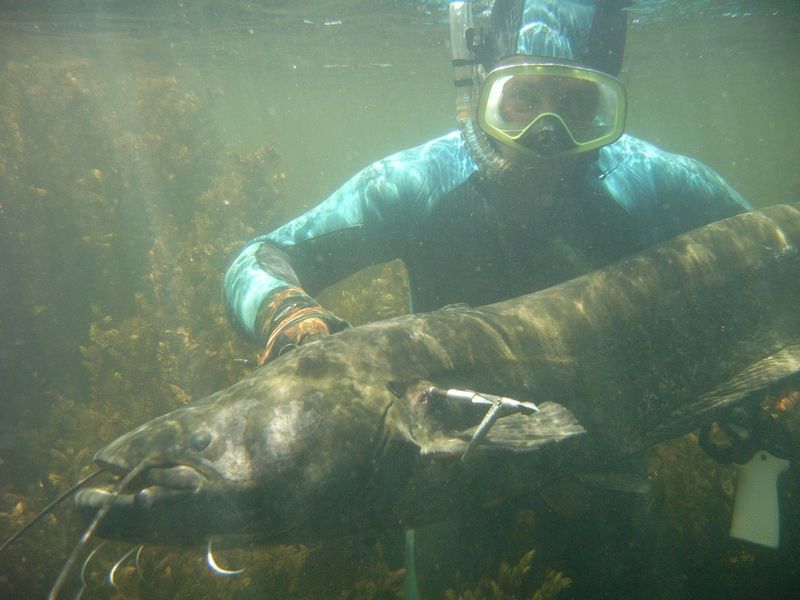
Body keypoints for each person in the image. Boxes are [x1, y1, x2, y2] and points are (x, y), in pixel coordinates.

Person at [223, 0, 750, 596]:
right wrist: (285, 311)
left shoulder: (652, 182)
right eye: (523, 99)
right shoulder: (421, 182)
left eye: (577, 104)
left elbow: (777, 254)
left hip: (605, 474)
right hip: (449, 476)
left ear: (609, 103)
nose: (547, 134)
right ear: (482, 94)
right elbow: (259, 256)